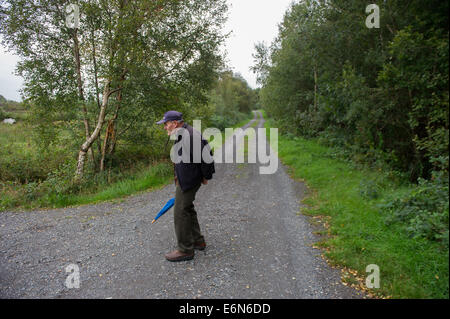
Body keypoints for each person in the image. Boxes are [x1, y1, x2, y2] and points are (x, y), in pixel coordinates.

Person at [156, 110, 215, 262]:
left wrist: (205, 176)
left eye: (166, 124)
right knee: (187, 208)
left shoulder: (190, 135)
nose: (165, 127)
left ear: (174, 123)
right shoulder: (183, 134)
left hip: (189, 180)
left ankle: (185, 250)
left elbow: (206, 157)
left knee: (180, 212)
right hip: (186, 178)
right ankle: (198, 241)